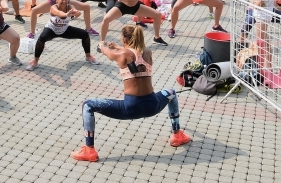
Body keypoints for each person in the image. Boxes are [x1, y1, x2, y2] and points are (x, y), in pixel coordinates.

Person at [71, 25, 191, 162]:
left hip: (131, 108)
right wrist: (118, 47)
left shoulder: (122, 55)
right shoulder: (148, 53)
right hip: (153, 105)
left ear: (125, 39)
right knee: (171, 92)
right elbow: (134, 54)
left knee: (88, 105)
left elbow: (107, 52)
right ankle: (177, 135)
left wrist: (102, 45)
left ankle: (89, 150)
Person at [25, 0, 100, 71]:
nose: (64, 1)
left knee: (85, 34)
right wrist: (67, 14)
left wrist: (76, 13)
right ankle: (35, 61)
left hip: (65, 30)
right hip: (51, 29)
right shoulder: (53, 7)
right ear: (57, 0)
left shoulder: (70, 6)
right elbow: (59, 13)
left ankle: (88, 57)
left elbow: (77, 13)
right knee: (41, 39)